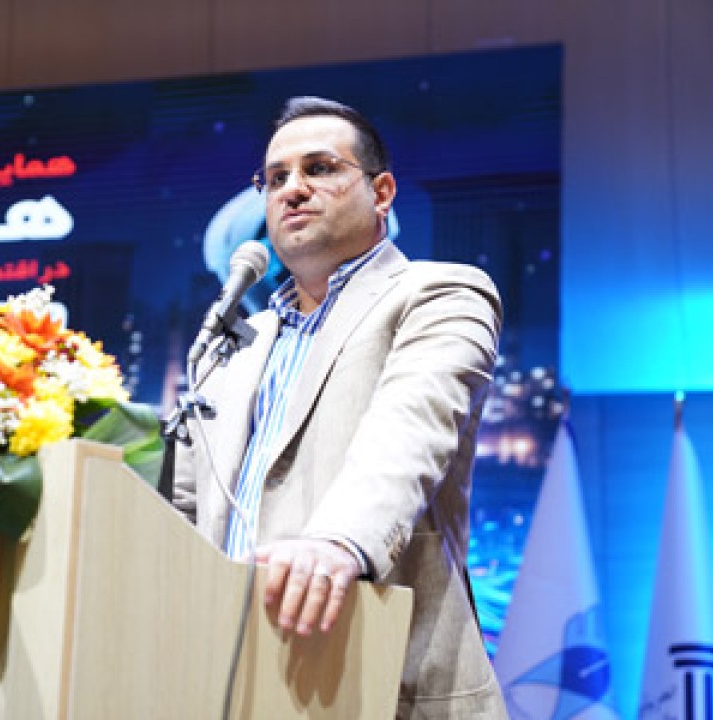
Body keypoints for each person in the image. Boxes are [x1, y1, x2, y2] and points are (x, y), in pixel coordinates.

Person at [172, 96, 508, 718]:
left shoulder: (440, 295)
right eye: (275, 178)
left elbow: (411, 430)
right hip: (229, 680)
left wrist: (338, 542)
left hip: (385, 681)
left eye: (320, 168)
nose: (293, 189)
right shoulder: (233, 346)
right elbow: (183, 511)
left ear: (381, 193)